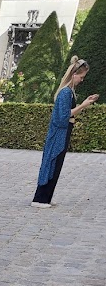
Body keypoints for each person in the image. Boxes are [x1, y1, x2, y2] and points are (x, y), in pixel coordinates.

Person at [32, 56, 99, 208]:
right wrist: (83, 105)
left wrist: (85, 103)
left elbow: (69, 114)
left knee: (56, 165)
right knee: (52, 163)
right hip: (59, 133)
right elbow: (63, 116)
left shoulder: (69, 92)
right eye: (81, 77)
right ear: (74, 75)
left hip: (63, 132)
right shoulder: (65, 92)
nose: (82, 80)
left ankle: (46, 197)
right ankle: (40, 199)